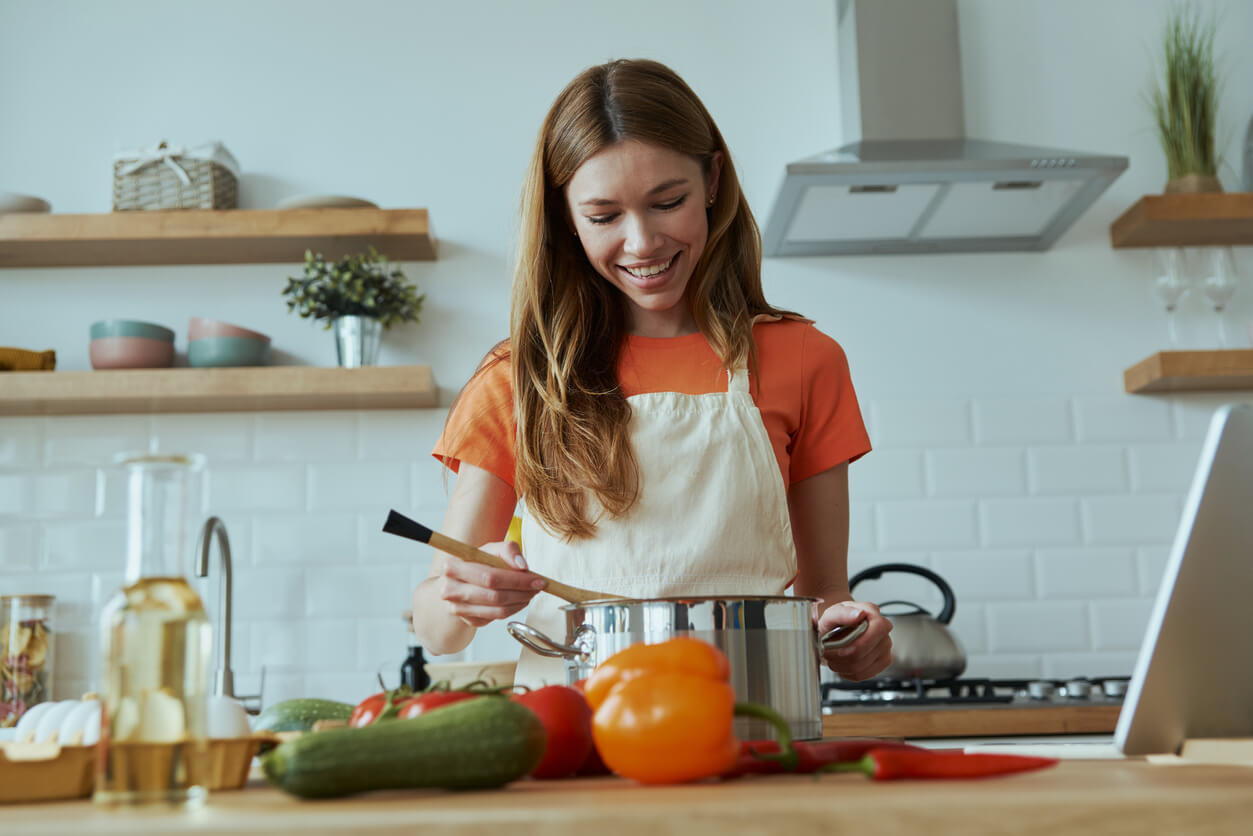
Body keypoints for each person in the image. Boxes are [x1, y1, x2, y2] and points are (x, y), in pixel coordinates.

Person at [411, 58, 891, 687]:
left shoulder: (806, 360)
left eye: (668, 202)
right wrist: (462, 592)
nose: (641, 243)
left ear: (713, 178)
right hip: (574, 742)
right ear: (565, 218)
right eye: (604, 217)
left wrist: (851, 635)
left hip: (745, 730)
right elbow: (437, 630)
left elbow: (826, 595)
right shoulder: (518, 381)